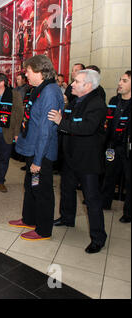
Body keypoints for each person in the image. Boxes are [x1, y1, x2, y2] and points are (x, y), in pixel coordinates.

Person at [49, 69, 108, 253]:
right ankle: (67, 217)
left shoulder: (96, 104)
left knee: (91, 199)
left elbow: (87, 128)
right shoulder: (75, 101)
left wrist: (61, 122)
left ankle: (98, 237)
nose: (72, 84)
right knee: (66, 188)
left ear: (88, 86)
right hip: (71, 156)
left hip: (87, 159)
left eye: (76, 81)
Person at [8, 55, 64, 241]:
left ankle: (43, 229)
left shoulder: (50, 92)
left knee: (41, 190)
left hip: (43, 153)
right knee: (30, 186)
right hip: (33, 148)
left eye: (29, 71)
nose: (26, 75)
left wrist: (38, 161)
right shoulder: (38, 89)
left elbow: (46, 130)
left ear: (40, 72)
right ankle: (29, 219)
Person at [0, 73, 23, 193]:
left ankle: (0, 180)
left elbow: (19, 115)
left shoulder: (14, 95)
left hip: (6, 133)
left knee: (4, 158)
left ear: (2, 83)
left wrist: (17, 133)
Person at [101, 70, 131, 223]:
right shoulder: (114, 101)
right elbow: (108, 123)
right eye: (120, 80)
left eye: (124, 81)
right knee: (109, 174)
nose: (120, 83)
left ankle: (128, 213)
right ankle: (105, 202)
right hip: (112, 146)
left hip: (128, 149)